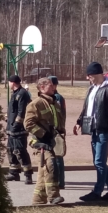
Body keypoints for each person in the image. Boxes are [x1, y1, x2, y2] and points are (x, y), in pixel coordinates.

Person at [76, 61, 108, 204]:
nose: (88, 78)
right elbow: (86, 108)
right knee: (99, 162)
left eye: (90, 76)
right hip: (93, 129)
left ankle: (97, 192)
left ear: (98, 74)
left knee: (99, 162)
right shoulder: (91, 89)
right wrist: (79, 122)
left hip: (105, 130)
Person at [25, 77, 65, 205]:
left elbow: (58, 122)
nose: (53, 87)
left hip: (52, 141)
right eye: (50, 85)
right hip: (40, 142)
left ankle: (38, 199)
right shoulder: (35, 104)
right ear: (42, 87)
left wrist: (59, 135)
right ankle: (53, 196)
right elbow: (28, 124)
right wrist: (43, 134)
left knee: (43, 171)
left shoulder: (55, 103)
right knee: (50, 165)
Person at [5, 75, 34, 185]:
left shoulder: (22, 94)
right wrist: (8, 118)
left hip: (19, 129)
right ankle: (14, 173)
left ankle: (28, 175)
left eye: (9, 82)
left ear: (13, 83)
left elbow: (22, 111)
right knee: (11, 150)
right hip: (11, 128)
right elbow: (13, 109)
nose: (8, 84)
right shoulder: (15, 93)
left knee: (20, 151)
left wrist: (17, 123)